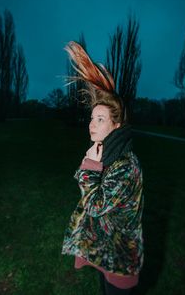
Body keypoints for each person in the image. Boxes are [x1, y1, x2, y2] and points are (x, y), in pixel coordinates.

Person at [62, 41, 144, 295]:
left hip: (120, 260)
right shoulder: (108, 155)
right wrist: (93, 165)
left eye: (100, 119)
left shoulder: (125, 166)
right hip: (105, 252)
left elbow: (95, 206)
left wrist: (90, 168)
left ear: (116, 126)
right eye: (91, 118)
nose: (91, 124)